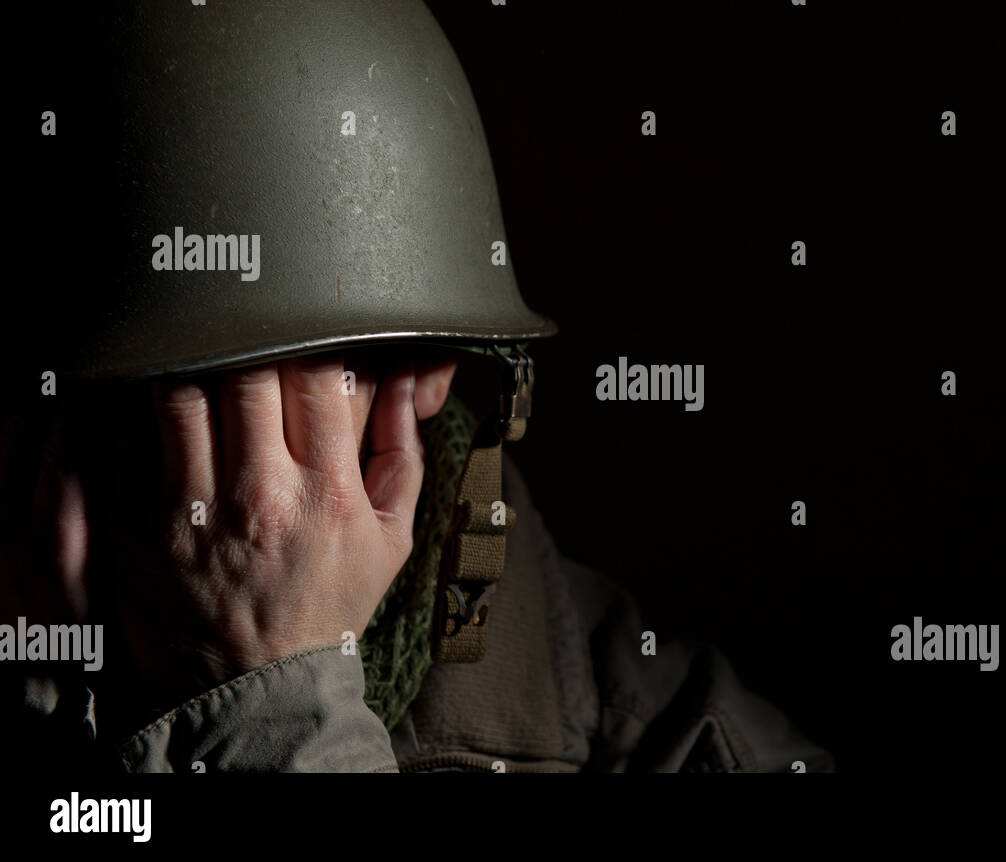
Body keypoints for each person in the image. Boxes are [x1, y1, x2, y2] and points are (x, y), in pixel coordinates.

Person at [0, 0, 831, 773]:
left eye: (226, 393)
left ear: (429, 375)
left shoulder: (678, 744)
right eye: (99, 406)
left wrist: (277, 703)